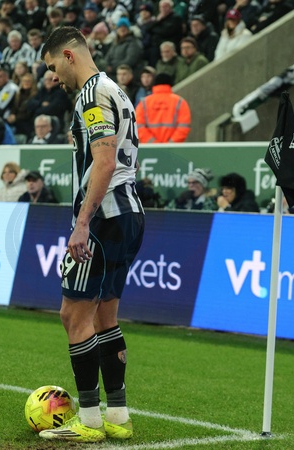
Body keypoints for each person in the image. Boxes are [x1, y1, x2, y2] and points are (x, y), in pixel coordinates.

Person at [39, 26, 144, 443]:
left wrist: (83, 222)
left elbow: (104, 161)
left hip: (104, 217)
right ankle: (117, 415)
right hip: (128, 212)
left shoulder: (92, 94)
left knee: (73, 314)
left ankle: (89, 419)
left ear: (69, 55)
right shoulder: (116, 91)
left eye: (53, 66)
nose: (53, 77)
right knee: (105, 317)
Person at [135, 73, 191, 143]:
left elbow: (138, 126)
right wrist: (171, 143)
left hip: (150, 148)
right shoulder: (180, 102)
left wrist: (153, 143)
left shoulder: (144, 103)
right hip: (173, 148)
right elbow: (183, 127)